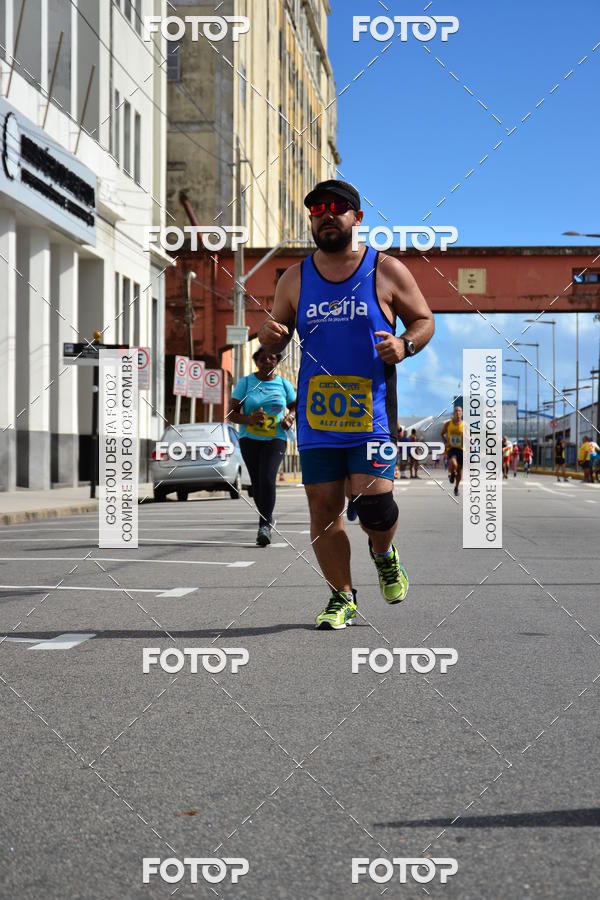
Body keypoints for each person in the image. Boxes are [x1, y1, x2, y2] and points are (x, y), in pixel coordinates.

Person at [258, 179, 434, 629]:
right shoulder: (294, 278)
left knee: (376, 509)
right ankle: (342, 597)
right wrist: (268, 340)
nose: (326, 214)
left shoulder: (386, 269)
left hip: (371, 413)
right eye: (317, 209)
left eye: (337, 207)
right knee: (323, 510)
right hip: (317, 419)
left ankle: (384, 553)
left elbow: (424, 320)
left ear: (357, 217)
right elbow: (271, 347)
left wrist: (405, 345)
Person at [230, 347, 297, 546]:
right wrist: (249, 419)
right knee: (258, 484)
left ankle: (264, 524)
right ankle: (267, 517)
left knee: (268, 479)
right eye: (262, 358)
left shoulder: (284, 384)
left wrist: (290, 417)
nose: (267, 360)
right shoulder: (246, 383)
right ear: (256, 361)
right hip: (249, 439)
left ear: (277, 361)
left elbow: (295, 406)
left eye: (271, 357)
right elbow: (232, 414)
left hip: (276, 438)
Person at [441, 406, 463, 497]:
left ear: (461, 413)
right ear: (453, 413)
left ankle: (456, 487)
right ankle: (452, 473)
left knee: (460, 470)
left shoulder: (464, 425)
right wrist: (446, 442)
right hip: (451, 448)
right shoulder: (448, 424)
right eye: (456, 411)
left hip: (461, 449)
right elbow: (442, 433)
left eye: (459, 411)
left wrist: (471, 440)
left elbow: (469, 436)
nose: (457, 413)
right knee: (454, 464)